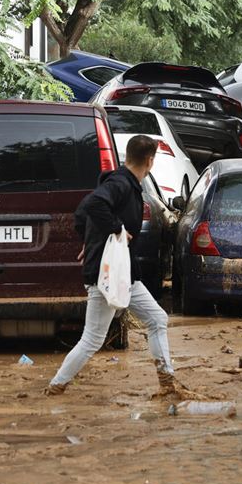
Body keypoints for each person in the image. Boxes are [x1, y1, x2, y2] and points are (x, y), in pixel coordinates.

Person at [47, 135, 194, 397]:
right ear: (149, 161)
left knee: (157, 318)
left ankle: (167, 381)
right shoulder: (121, 184)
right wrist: (115, 229)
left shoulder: (123, 182)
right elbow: (93, 205)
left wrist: (90, 242)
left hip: (123, 273)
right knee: (92, 339)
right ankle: (56, 386)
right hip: (107, 274)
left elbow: (81, 213)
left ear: (128, 156)